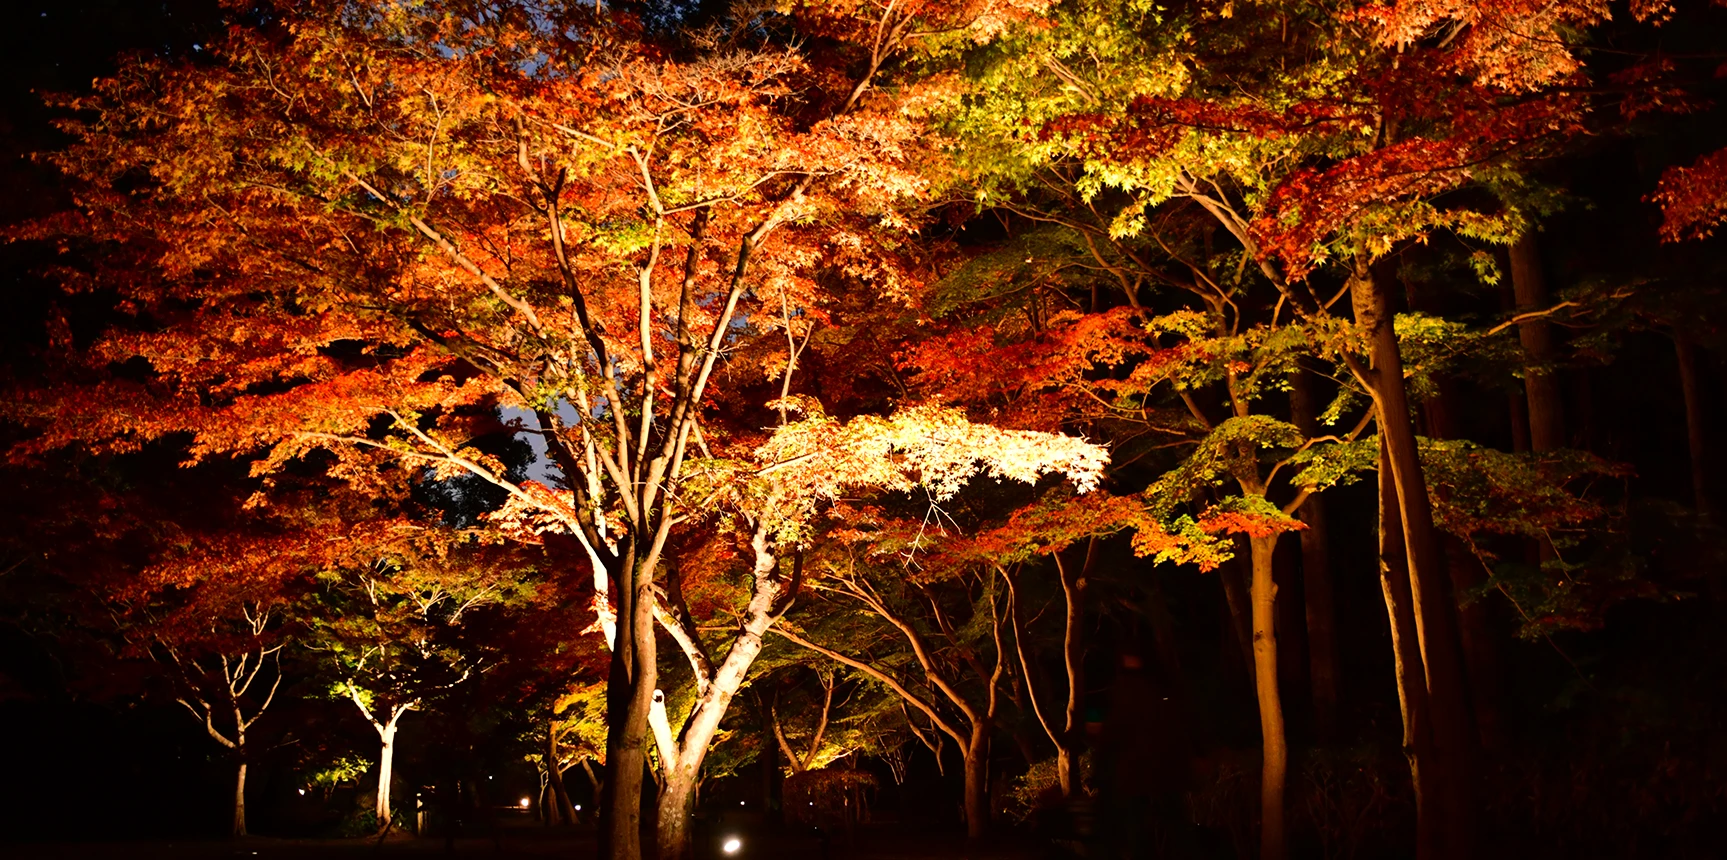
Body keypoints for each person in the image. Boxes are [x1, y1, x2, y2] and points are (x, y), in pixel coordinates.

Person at [1094, 650, 1197, 859]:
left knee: (1139, 828)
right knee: (1173, 824)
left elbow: (1111, 736)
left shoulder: (1123, 693)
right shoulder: (1158, 692)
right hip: (1162, 773)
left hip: (1137, 776)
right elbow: (1179, 731)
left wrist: (1101, 772)